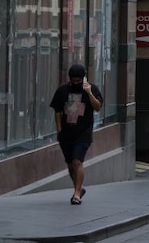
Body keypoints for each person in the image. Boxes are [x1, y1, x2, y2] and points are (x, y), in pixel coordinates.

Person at [50, 63, 103, 205]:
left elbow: (98, 107)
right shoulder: (63, 91)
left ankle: (77, 194)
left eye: (78, 81)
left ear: (83, 78)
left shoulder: (91, 89)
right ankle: (79, 188)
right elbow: (57, 111)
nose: (76, 83)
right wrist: (59, 130)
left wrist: (89, 92)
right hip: (66, 133)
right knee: (70, 164)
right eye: (73, 80)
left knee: (77, 161)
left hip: (83, 132)